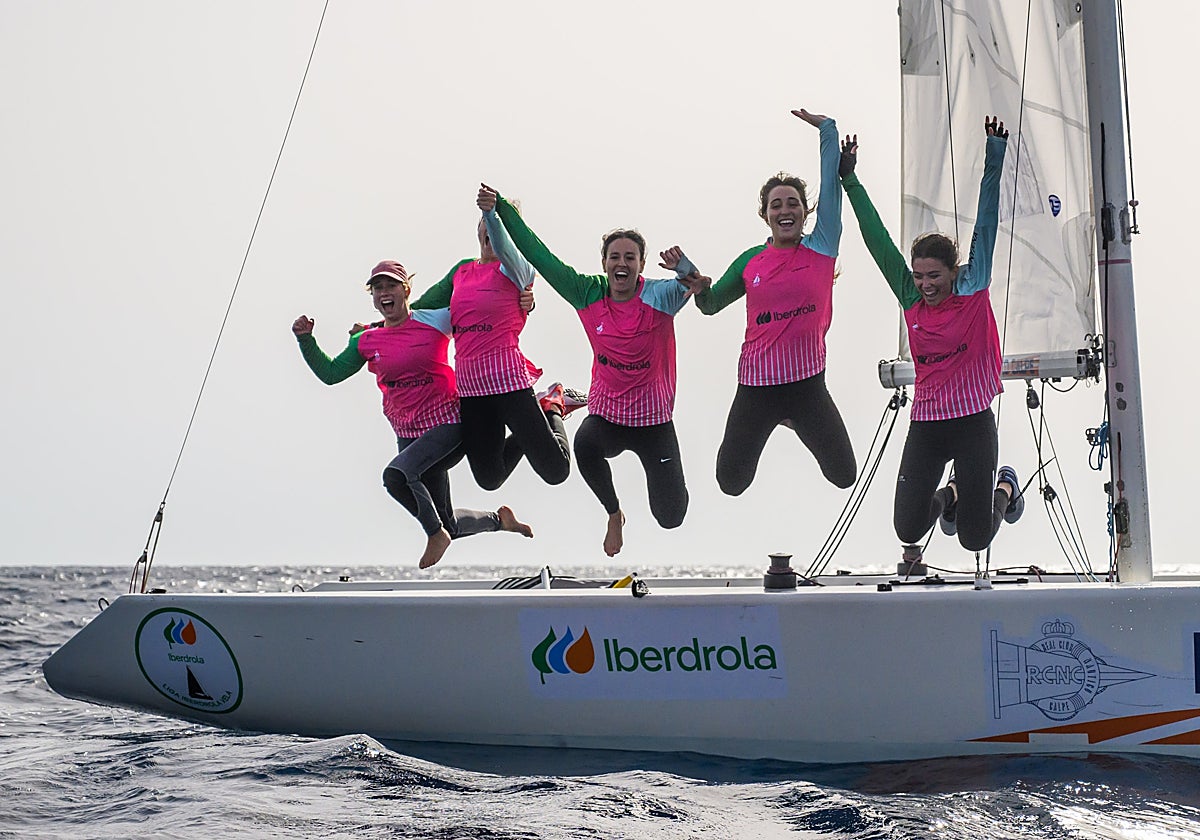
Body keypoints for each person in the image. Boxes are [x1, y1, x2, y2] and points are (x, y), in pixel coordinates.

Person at [483, 183, 711, 556]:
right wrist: (501, 210)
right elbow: (540, 256)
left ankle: (670, 488)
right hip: (608, 414)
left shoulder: (659, 295)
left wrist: (685, 269)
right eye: (615, 257)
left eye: (631, 258)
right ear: (604, 262)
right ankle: (613, 513)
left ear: (640, 264)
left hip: (654, 423)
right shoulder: (586, 292)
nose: (622, 264)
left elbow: (700, 286)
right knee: (585, 446)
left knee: (671, 516)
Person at [839, 116, 1024, 557]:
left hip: (973, 423)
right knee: (908, 527)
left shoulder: (972, 286)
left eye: (934, 276)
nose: (925, 284)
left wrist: (994, 152)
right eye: (919, 275)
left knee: (974, 539)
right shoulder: (911, 298)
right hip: (927, 425)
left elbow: (987, 221)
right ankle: (953, 493)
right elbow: (877, 239)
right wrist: (849, 179)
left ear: (953, 270)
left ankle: (1005, 487)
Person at [292, 260, 533, 570]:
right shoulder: (366, 341)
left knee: (396, 476)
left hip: (448, 423)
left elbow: (484, 311)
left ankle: (434, 534)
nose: (384, 292)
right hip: (407, 432)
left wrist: (525, 300)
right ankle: (500, 521)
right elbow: (330, 373)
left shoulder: (435, 320)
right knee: (450, 524)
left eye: (391, 285)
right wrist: (306, 340)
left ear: (406, 290)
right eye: (377, 288)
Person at [693, 109, 856, 497]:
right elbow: (712, 304)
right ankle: (783, 418)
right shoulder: (751, 261)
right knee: (730, 482)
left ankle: (795, 418)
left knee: (843, 475)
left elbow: (831, 190)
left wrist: (827, 131)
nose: (785, 210)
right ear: (765, 215)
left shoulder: (822, 246)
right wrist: (699, 287)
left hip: (807, 386)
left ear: (805, 211)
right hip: (757, 387)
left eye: (793, 203)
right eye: (776, 205)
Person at [408, 193, 583, 493]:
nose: (491, 231)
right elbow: (420, 311)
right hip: (473, 390)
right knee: (489, 479)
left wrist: (493, 212)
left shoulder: (519, 269)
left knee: (557, 471)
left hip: (509, 384)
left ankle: (552, 404)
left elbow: (503, 245)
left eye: (501, 225)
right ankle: (544, 405)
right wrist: (381, 327)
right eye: (486, 225)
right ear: (477, 230)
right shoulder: (462, 271)